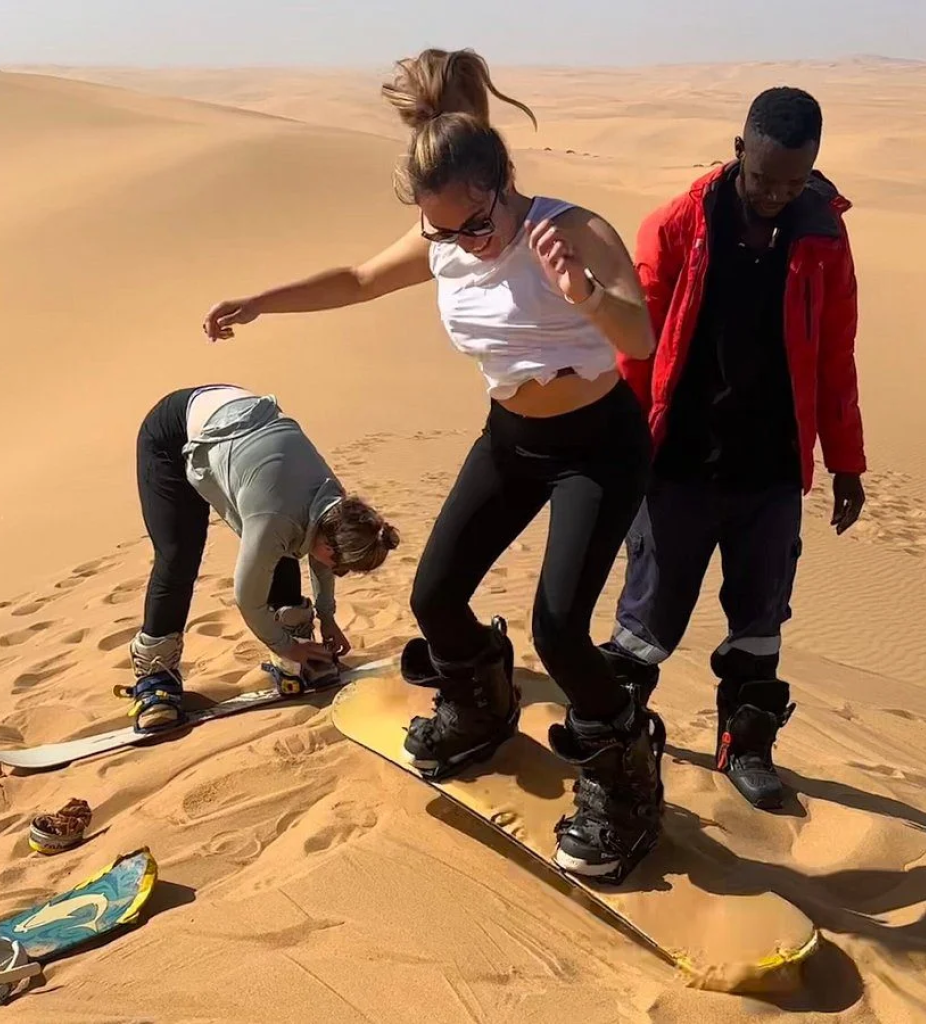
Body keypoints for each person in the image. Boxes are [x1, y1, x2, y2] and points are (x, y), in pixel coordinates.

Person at [202, 48, 664, 884]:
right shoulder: (444, 237)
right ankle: (482, 703)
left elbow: (642, 340)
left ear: (502, 183)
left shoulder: (573, 231)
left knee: (560, 629)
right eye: (441, 230)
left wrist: (587, 298)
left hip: (599, 446)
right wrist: (262, 300)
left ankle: (625, 774)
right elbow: (357, 278)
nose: (462, 245)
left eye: (475, 226)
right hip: (512, 441)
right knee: (434, 595)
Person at [600, 87, 867, 811]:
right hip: (677, 462)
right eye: (764, 179)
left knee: (760, 620)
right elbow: (634, 349)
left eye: (794, 181)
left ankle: (744, 748)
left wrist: (847, 462)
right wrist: (619, 451)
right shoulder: (677, 225)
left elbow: (835, 355)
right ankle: (612, 741)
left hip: (771, 467)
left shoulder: (822, 238)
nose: (778, 195)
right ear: (738, 148)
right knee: (647, 620)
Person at [128, 383, 400, 733]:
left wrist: (327, 617)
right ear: (331, 548)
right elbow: (247, 598)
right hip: (172, 434)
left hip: (240, 430)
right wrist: (284, 645)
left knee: (290, 541)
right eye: (342, 567)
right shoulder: (274, 516)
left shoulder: (336, 506)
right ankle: (155, 679)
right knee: (179, 555)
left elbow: (318, 551)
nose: (339, 572)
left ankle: (299, 646)